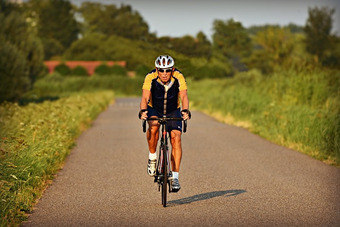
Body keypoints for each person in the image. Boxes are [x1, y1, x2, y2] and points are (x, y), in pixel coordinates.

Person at [139, 55, 190, 192]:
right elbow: (144, 96)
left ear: (172, 69)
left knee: (176, 138)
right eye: (161, 70)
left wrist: (185, 110)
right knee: (154, 126)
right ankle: (152, 157)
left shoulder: (178, 76)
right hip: (155, 108)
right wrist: (143, 111)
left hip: (173, 110)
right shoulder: (150, 77)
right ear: (157, 69)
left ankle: (175, 177)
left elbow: (184, 96)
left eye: (168, 70)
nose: (164, 74)